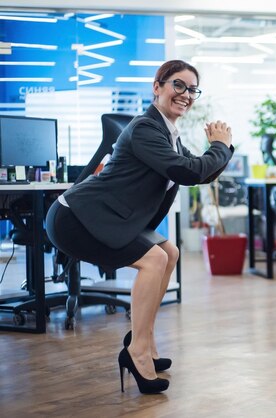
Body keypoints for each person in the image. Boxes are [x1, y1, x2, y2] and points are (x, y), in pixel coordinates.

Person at [45, 60, 234, 394]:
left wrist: (222, 149)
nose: (186, 95)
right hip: (76, 218)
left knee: (169, 252)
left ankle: (143, 342)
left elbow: (197, 171)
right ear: (156, 86)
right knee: (154, 260)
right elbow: (189, 171)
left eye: (192, 89)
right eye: (179, 85)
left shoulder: (167, 134)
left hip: (107, 216)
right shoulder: (146, 128)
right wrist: (218, 147)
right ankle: (137, 351)